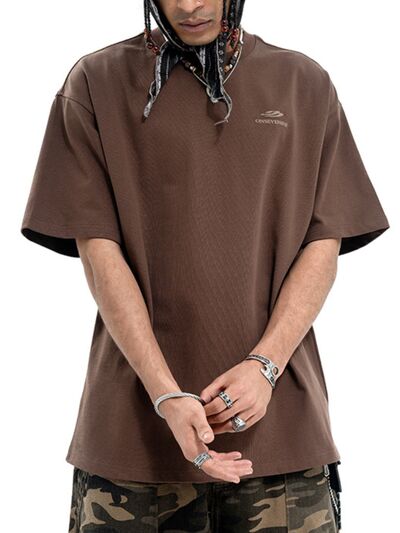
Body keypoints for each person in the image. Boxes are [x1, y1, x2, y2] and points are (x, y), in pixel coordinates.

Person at [20, 0, 390, 531]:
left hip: (282, 436)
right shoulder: (96, 82)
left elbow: (323, 242)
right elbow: (99, 254)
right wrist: (165, 394)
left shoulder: (303, 84)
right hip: (133, 444)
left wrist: (265, 366)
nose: (190, 4)